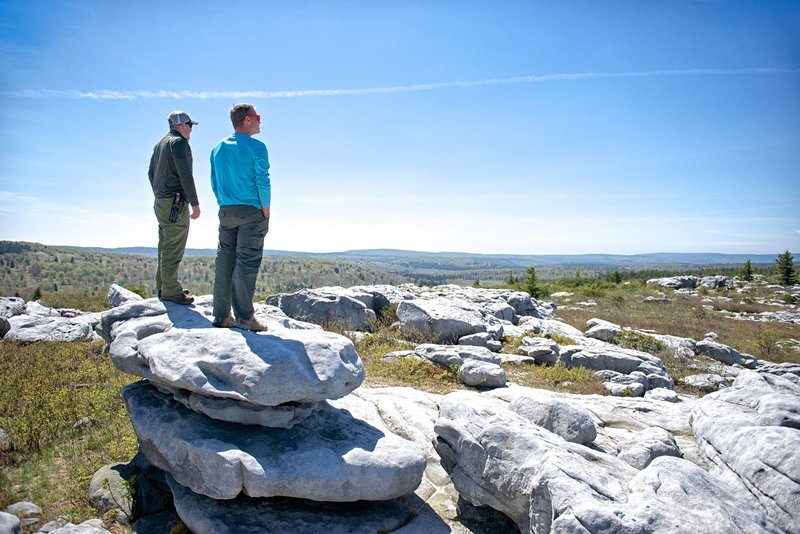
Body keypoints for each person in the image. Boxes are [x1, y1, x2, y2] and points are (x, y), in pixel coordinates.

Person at [210, 103, 271, 331]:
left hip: (226, 211)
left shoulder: (217, 148)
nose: (260, 121)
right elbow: (262, 180)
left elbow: (214, 182)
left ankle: (221, 316)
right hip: (251, 212)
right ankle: (245, 318)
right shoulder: (257, 147)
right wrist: (266, 208)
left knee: (224, 262)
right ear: (246, 119)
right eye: (258, 117)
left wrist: (223, 203)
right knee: (246, 263)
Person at [148, 111, 201, 305]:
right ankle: (170, 290)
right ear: (183, 125)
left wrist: (158, 191)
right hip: (175, 202)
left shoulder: (160, 143)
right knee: (173, 247)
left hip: (161, 201)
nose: (191, 130)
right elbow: (185, 175)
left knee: (164, 245)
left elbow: (150, 172)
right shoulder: (178, 143)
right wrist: (194, 203)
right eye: (190, 126)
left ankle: (164, 286)